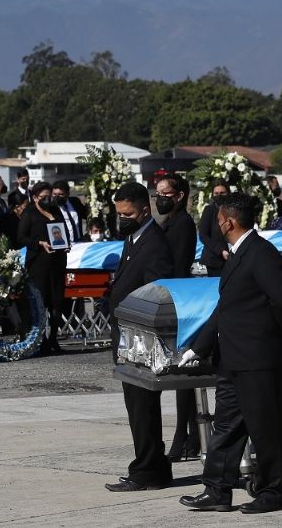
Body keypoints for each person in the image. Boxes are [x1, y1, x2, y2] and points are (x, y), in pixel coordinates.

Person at [178, 193, 282, 514]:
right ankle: (217, 489)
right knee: (226, 426)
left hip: (257, 358)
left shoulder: (261, 254)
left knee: (265, 428)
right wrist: (200, 346)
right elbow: (226, 307)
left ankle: (272, 491)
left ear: (228, 222)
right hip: (231, 358)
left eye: (218, 220)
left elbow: (281, 301)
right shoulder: (239, 255)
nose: (216, 226)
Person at [105, 181, 175, 492]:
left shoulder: (154, 244)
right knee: (137, 407)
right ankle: (156, 468)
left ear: (144, 210)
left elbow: (157, 294)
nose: (121, 219)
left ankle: (146, 471)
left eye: (127, 213)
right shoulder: (134, 239)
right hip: (126, 336)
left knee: (143, 406)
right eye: (118, 213)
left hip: (140, 340)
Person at [155, 173, 201, 461]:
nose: (160, 198)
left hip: (175, 300)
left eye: (166, 193)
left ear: (180, 196)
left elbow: (177, 265)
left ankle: (186, 437)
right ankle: (188, 436)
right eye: (157, 193)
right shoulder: (167, 222)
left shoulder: (182, 224)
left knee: (184, 374)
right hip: (168, 298)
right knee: (180, 375)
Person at [18, 181, 69, 355]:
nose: (47, 199)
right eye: (43, 197)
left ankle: (53, 337)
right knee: (41, 302)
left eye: (49, 196)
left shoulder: (55, 210)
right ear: (34, 197)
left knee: (57, 302)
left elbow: (64, 231)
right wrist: (39, 243)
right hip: (38, 264)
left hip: (57, 262)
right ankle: (41, 339)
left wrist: (66, 243)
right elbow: (21, 237)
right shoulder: (30, 212)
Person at [198, 180, 230, 277]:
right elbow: (203, 235)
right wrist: (220, 251)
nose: (219, 195)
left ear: (228, 193)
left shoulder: (233, 210)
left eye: (222, 193)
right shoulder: (209, 210)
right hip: (214, 259)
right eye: (216, 193)